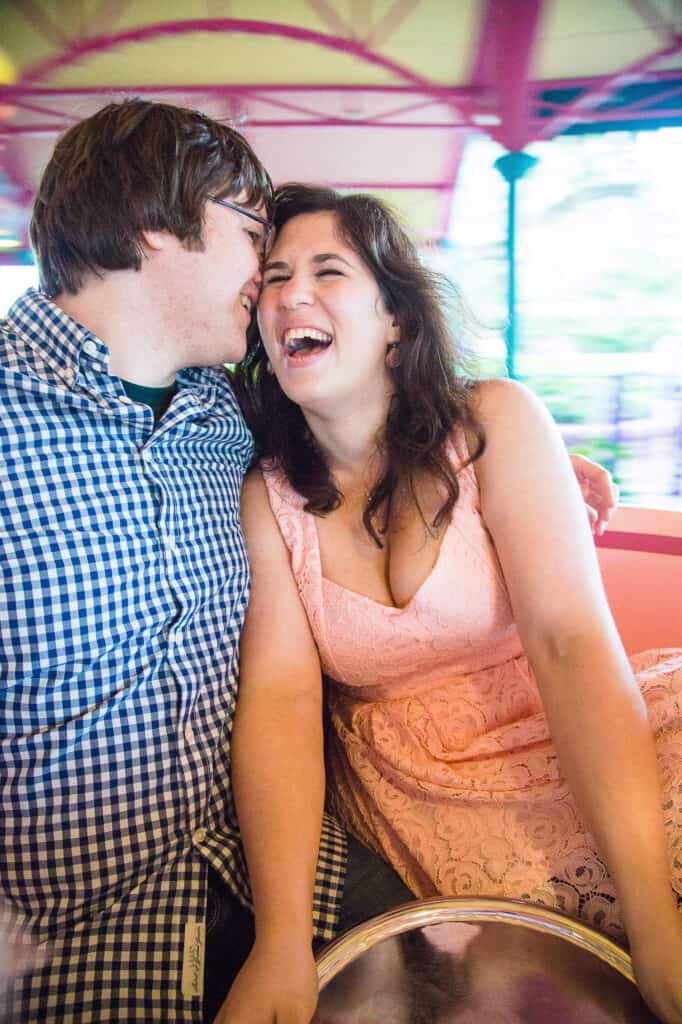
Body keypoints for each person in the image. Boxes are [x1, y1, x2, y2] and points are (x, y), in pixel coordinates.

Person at [0, 98, 617, 1024]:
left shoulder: (220, 412)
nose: (270, 279)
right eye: (255, 237)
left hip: (260, 851)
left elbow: (361, 432)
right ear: (151, 226)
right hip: (73, 918)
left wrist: (534, 472)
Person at [232, 182, 682, 1024]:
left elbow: (569, 646)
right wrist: (281, 942)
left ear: (396, 321)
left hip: (572, 727)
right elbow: (282, 701)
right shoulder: (270, 498)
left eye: (328, 271)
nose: (291, 294)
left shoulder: (494, 423)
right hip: (423, 791)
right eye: (274, 277)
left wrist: (655, 926)